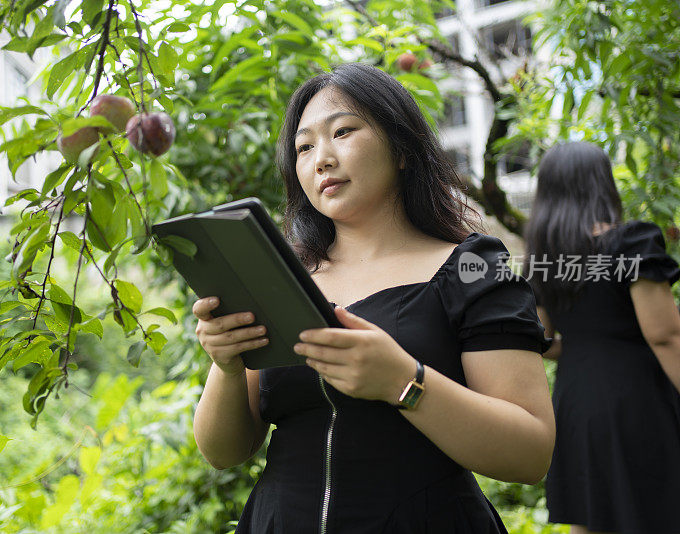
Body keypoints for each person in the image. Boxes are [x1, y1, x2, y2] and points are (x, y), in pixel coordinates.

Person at [191, 63, 555, 533]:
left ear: (402, 148)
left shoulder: (472, 268)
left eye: (342, 131)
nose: (321, 158)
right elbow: (223, 452)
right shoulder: (280, 278)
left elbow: (530, 454)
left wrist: (404, 382)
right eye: (303, 147)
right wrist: (225, 365)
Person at [523, 141, 680, 534]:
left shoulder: (545, 259)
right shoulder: (630, 245)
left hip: (576, 405)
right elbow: (664, 336)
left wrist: (584, 346)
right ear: (601, 184)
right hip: (638, 398)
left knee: (592, 514)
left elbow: (542, 341)